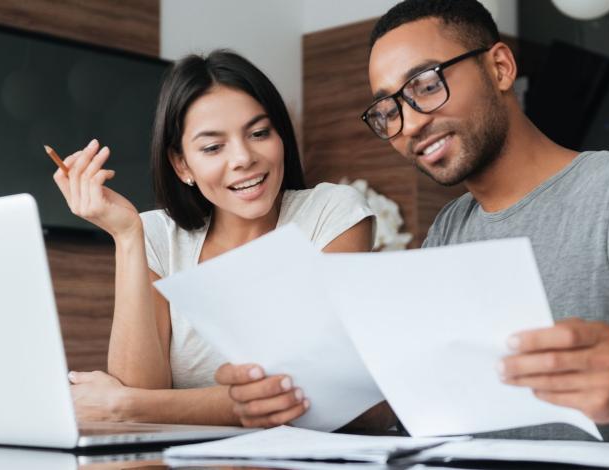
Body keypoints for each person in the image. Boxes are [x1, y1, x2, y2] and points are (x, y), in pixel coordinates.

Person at [217, 0, 609, 448]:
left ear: (499, 66)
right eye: (388, 109)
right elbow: (424, 407)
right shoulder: (449, 228)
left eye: (425, 84)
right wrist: (297, 398)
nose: (410, 123)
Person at [51, 50, 376, 426]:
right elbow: (138, 388)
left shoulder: (331, 214)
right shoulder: (157, 235)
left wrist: (126, 405)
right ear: (181, 164)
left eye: (259, 133)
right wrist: (126, 236)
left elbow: (314, 391)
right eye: (212, 147)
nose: (243, 158)